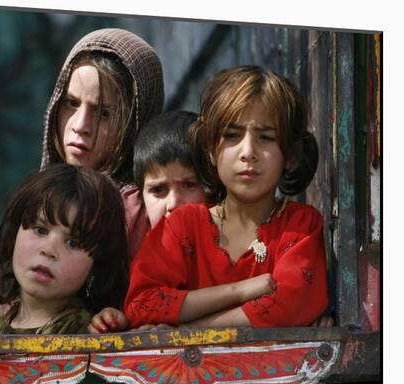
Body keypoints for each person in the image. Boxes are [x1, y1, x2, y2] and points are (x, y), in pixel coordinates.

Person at [0, 28, 164, 334]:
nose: (80, 126)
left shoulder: (136, 207)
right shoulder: (48, 191)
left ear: (136, 121)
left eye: (105, 114)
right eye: (71, 103)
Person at [124, 65, 329, 329]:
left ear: (288, 154)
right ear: (210, 149)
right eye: (232, 136)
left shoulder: (300, 227)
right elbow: (142, 304)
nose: (248, 152)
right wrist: (241, 290)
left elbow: (291, 305)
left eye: (265, 137)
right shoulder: (181, 227)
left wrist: (188, 331)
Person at [88, 110, 211, 333]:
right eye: (158, 190)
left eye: (189, 185)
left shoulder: (229, 242)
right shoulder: (136, 245)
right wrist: (115, 320)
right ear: (141, 196)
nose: (173, 203)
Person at [0, 164, 128, 334]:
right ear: (15, 235)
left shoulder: (89, 334)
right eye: (40, 230)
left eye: (73, 243)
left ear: (96, 265)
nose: (49, 250)